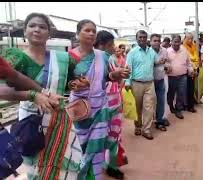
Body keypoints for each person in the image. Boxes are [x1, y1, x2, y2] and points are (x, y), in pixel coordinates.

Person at [1, 12, 83, 179]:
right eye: (32, 26)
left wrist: (75, 84)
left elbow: (69, 81)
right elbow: (3, 90)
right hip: (31, 121)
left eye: (42, 27)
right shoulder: (15, 57)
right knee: (35, 164)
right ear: (25, 31)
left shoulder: (63, 58)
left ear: (49, 33)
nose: (37, 29)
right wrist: (33, 95)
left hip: (59, 117)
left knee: (66, 162)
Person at [93, 30, 130, 178]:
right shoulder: (97, 59)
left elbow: (118, 81)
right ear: (101, 45)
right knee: (105, 136)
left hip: (113, 103)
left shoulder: (110, 59)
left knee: (112, 135)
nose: (113, 47)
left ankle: (110, 165)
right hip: (101, 105)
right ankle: (104, 166)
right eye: (110, 45)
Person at [125, 30, 159, 140]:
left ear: (147, 38)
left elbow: (157, 62)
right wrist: (127, 82)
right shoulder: (132, 52)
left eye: (144, 37)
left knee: (149, 107)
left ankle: (146, 129)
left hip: (150, 84)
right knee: (137, 107)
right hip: (136, 84)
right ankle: (138, 126)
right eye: (140, 37)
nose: (142, 39)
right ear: (137, 38)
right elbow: (128, 68)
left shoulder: (152, 52)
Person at [167, 34, 194, 119]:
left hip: (182, 77)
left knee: (181, 94)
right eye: (175, 41)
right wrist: (167, 66)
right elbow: (164, 63)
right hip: (170, 77)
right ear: (171, 42)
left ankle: (178, 110)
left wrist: (191, 70)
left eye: (178, 41)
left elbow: (188, 62)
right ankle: (171, 107)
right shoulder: (167, 51)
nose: (176, 43)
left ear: (180, 42)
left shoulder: (184, 50)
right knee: (170, 94)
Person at [150, 33, 171, 131]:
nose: (157, 42)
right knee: (149, 102)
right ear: (150, 42)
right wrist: (156, 63)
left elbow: (167, 62)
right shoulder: (148, 52)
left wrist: (167, 66)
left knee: (161, 101)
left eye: (158, 40)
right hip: (149, 81)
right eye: (154, 40)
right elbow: (146, 66)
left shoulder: (164, 51)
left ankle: (159, 120)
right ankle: (148, 122)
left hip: (161, 79)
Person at [183, 33, 199, 112]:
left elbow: (196, 57)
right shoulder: (182, 47)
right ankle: (184, 105)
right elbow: (189, 58)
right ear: (185, 38)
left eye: (191, 39)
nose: (190, 40)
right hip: (185, 71)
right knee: (184, 89)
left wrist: (195, 65)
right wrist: (193, 60)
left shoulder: (193, 46)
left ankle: (190, 105)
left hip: (193, 69)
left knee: (191, 88)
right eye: (189, 39)